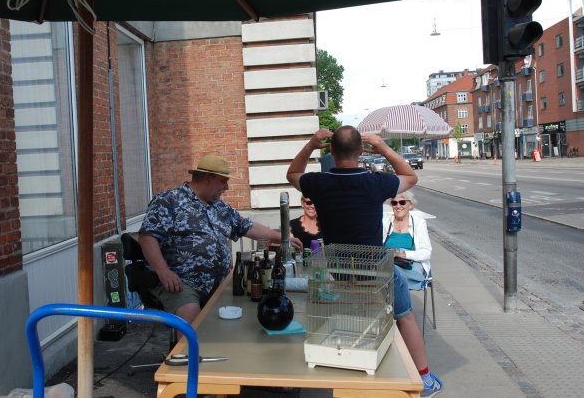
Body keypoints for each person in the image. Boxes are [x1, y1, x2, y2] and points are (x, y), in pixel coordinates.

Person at [287, 126, 443, 397]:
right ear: (361, 151)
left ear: (331, 150)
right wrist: (382, 147)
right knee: (405, 317)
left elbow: (292, 174)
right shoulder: (376, 182)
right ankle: (424, 378)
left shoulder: (318, 183)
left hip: (338, 270)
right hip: (376, 271)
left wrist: (311, 144)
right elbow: (411, 175)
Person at [139, 155, 302, 331]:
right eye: (223, 181)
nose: (227, 187)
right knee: (189, 311)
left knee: (247, 305)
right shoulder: (169, 200)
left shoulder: (220, 207)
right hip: (181, 283)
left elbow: (248, 227)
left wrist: (283, 238)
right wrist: (163, 271)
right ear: (208, 178)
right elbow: (147, 237)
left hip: (219, 283)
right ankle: (187, 349)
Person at [382, 191, 432, 290]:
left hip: (410, 263)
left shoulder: (419, 223)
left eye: (402, 202)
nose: (398, 206)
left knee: (393, 276)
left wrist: (401, 254)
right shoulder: (385, 221)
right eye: (394, 203)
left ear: (410, 205)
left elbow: (426, 252)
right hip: (387, 262)